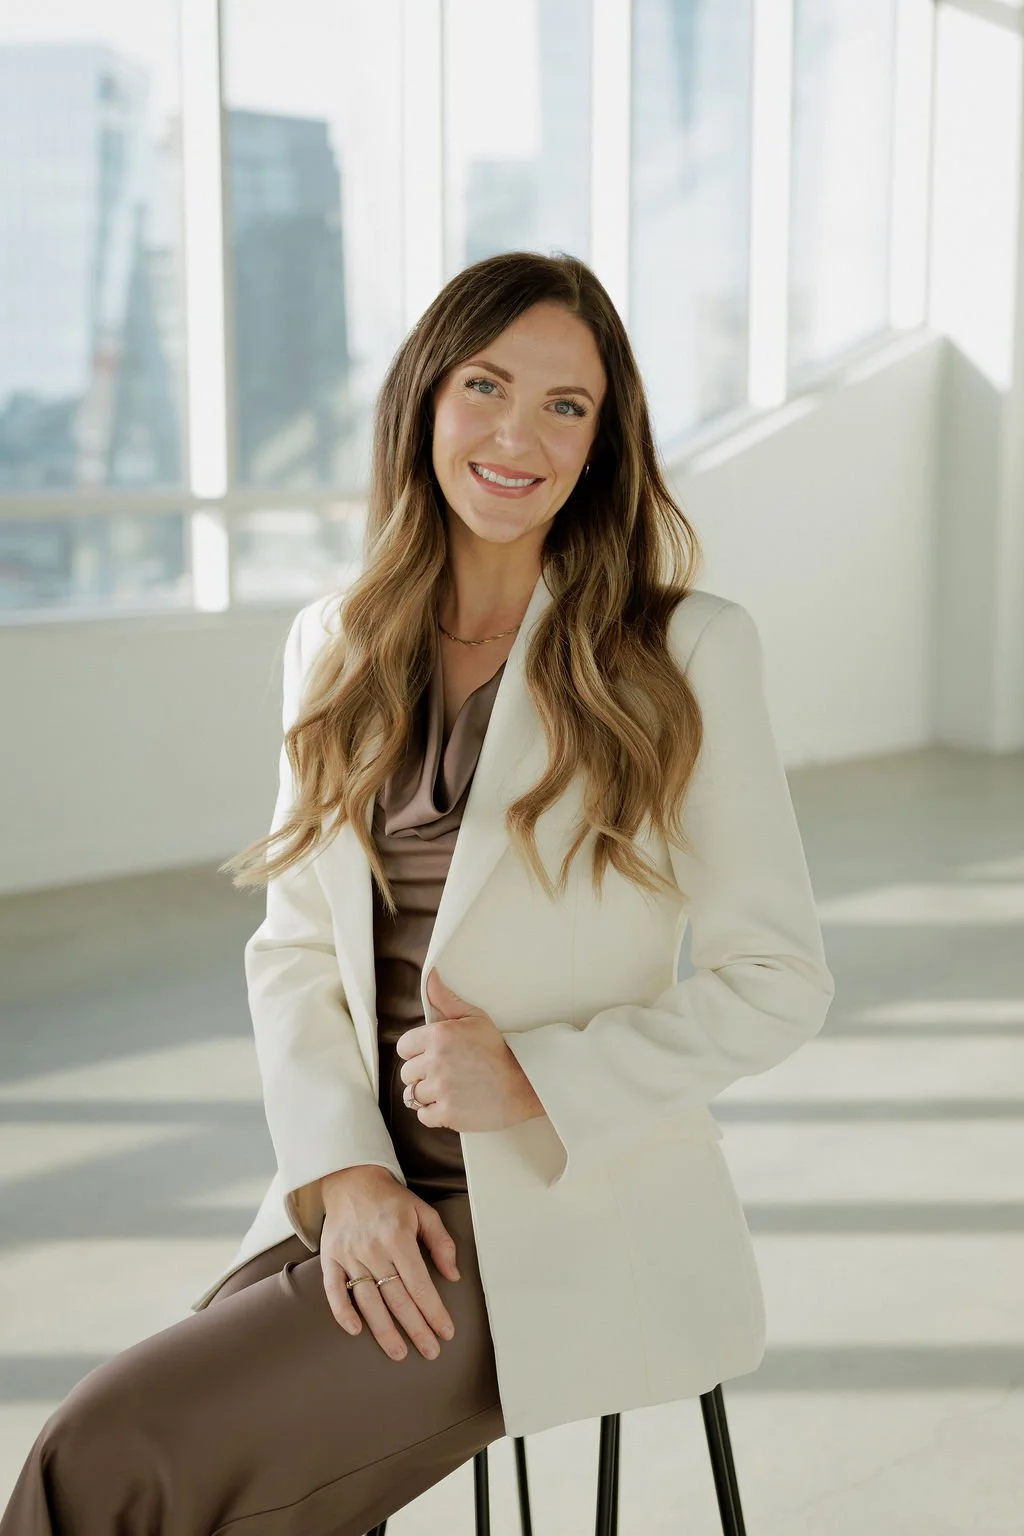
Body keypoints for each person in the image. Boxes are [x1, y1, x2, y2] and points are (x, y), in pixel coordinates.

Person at [1, 250, 834, 1533]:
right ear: (424, 403)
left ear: (604, 442)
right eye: (485, 386)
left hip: (553, 1227)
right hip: (366, 1197)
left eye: (567, 406)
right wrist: (343, 1176)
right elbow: (292, 951)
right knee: (164, 1460)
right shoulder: (334, 640)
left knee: (109, 1461)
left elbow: (779, 981)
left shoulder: (685, 652)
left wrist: (536, 1075)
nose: (519, 435)